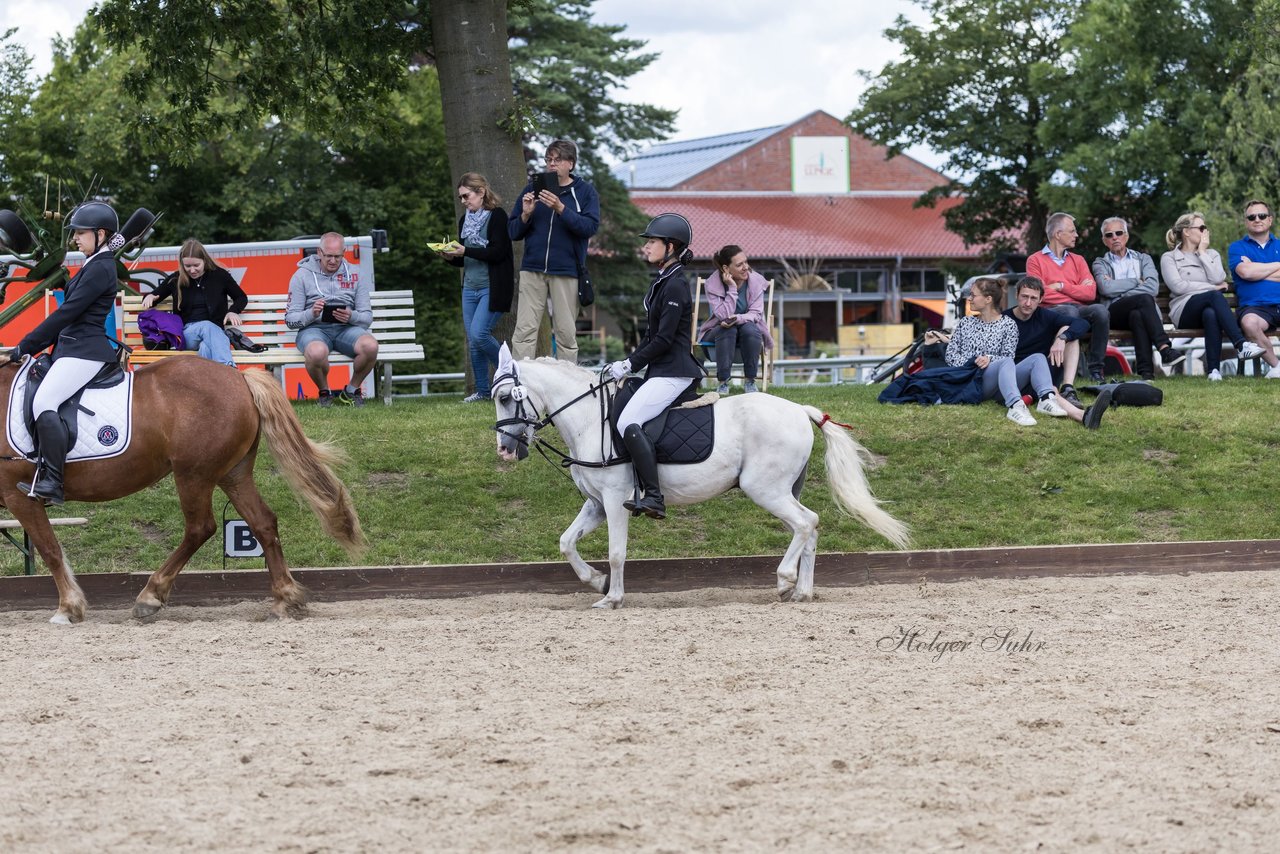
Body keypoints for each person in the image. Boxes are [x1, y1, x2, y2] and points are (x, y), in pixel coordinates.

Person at [4, 202, 124, 504]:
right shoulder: (94, 262)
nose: (75, 239)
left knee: (45, 400)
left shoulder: (100, 267)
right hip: (72, 347)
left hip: (84, 350)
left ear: (100, 234)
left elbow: (66, 314)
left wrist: (24, 346)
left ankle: (52, 481)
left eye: (80, 233)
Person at [604, 214, 705, 519]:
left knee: (628, 422)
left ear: (670, 246)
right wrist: (626, 363)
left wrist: (630, 364)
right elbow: (650, 336)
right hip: (659, 370)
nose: (646, 248)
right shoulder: (662, 282)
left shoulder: (675, 286)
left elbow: (663, 340)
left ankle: (655, 497)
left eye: (651, 242)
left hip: (675, 371)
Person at [945, 278, 1106, 428]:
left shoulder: (1044, 316)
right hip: (1012, 377)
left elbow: (1082, 323)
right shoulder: (1004, 320)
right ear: (1016, 296)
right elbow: (991, 353)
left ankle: (1068, 388)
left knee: (1067, 332)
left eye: (1033, 298)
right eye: (1024, 297)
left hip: (1040, 370)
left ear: (1041, 300)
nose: (1028, 303)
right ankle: (1083, 416)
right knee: (1048, 388)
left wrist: (1062, 338)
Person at [508, 139, 600, 364]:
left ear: (571, 163)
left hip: (566, 271)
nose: (551, 164)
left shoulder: (585, 192)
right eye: (548, 160)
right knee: (524, 332)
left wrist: (560, 208)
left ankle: (567, 386)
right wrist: (526, 215)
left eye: (557, 160)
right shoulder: (532, 189)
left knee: (566, 334)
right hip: (532, 270)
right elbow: (512, 231)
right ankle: (520, 385)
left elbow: (589, 227)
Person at [1161, 211, 1266, 381]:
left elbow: (1219, 278)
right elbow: (1178, 287)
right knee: (1214, 296)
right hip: (1183, 311)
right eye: (1201, 227)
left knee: (1211, 313)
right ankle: (1240, 344)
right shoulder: (1170, 257)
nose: (1205, 231)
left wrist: (1202, 253)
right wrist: (1212, 288)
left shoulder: (1212, 254)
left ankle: (1213, 372)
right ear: (1187, 231)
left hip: (1207, 307)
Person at [438, 173, 514, 403]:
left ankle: (511, 372)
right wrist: (449, 256)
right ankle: (482, 392)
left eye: (466, 196)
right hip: (469, 288)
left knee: (480, 334)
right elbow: (464, 260)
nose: (463, 201)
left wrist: (465, 251)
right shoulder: (465, 221)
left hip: (492, 287)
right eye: (460, 197)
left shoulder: (498, 216)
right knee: (474, 339)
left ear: (481, 192)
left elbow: (498, 253)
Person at [285, 232, 379, 406]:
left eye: (337, 256)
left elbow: (366, 318)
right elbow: (290, 320)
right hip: (314, 330)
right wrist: (311, 313)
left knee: (371, 346)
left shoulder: (356, 274)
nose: (333, 261)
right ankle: (324, 392)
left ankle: (351, 390)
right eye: (328, 256)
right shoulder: (301, 276)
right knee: (316, 353)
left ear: (344, 252)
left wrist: (352, 316)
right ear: (319, 252)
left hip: (347, 328)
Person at [1091, 217, 1185, 381]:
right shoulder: (1100, 263)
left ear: (1126, 236)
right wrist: (1136, 282)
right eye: (1109, 235)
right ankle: (1164, 349)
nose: (1115, 237)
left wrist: (1119, 291)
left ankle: (1146, 374)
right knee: (1143, 299)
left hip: (1141, 311)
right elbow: (1105, 288)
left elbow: (1152, 287)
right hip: (1115, 314)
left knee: (1138, 314)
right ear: (1104, 240)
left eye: (1119, 233)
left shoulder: (1143, 259)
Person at [1024, 211, 1110, 383]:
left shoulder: (1078, 260)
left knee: (1100, 310)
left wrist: (1061, 286)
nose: (1076, 235)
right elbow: (1040, 294)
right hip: (1050, 311)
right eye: (1072, 231)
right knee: (1070, 311)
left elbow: (1090, 293)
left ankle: (1096, 370)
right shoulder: (1035, 261)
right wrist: (1076, 289)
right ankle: (1064, 373)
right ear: (1057, 234)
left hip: (1077, 309)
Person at [140, 238, 248, 366]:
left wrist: (233, 311)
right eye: (187, 266)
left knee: (205, 348)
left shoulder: (219, 276)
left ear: (204, 261)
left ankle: (206, 384)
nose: (192, 270)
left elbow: (241, 297)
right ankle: (229, 368)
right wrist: (150, 297)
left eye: (196, 265)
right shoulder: (176, 278)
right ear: (182, 264)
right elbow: (155, 296)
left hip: (214, 335)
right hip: (187, 334)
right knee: (207, 326)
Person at [696, 244, 774, 394]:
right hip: (718, 332)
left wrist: (738, 318)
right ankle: (723, 382)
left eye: (746, 262)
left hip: (747, 331)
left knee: (750, 328)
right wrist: (731, 287)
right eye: (739, 264)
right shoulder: (713, 284)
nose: (746, 267)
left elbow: (756, 314)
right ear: (726, 268)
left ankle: (750, 381)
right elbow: (723, 316)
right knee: (728, 328)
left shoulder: (756, 281)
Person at [1227, 199, 1280, 378]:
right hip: (1255, 308)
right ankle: (1277, 367)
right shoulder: (1237, 247)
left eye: (1262, 215)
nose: (1257, 219)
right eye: (1252, 216)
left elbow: (1252, 272)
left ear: (1270, 220)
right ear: (1246, 221)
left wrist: (1257, 268)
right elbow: (1246, 273)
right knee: (1249, 323)